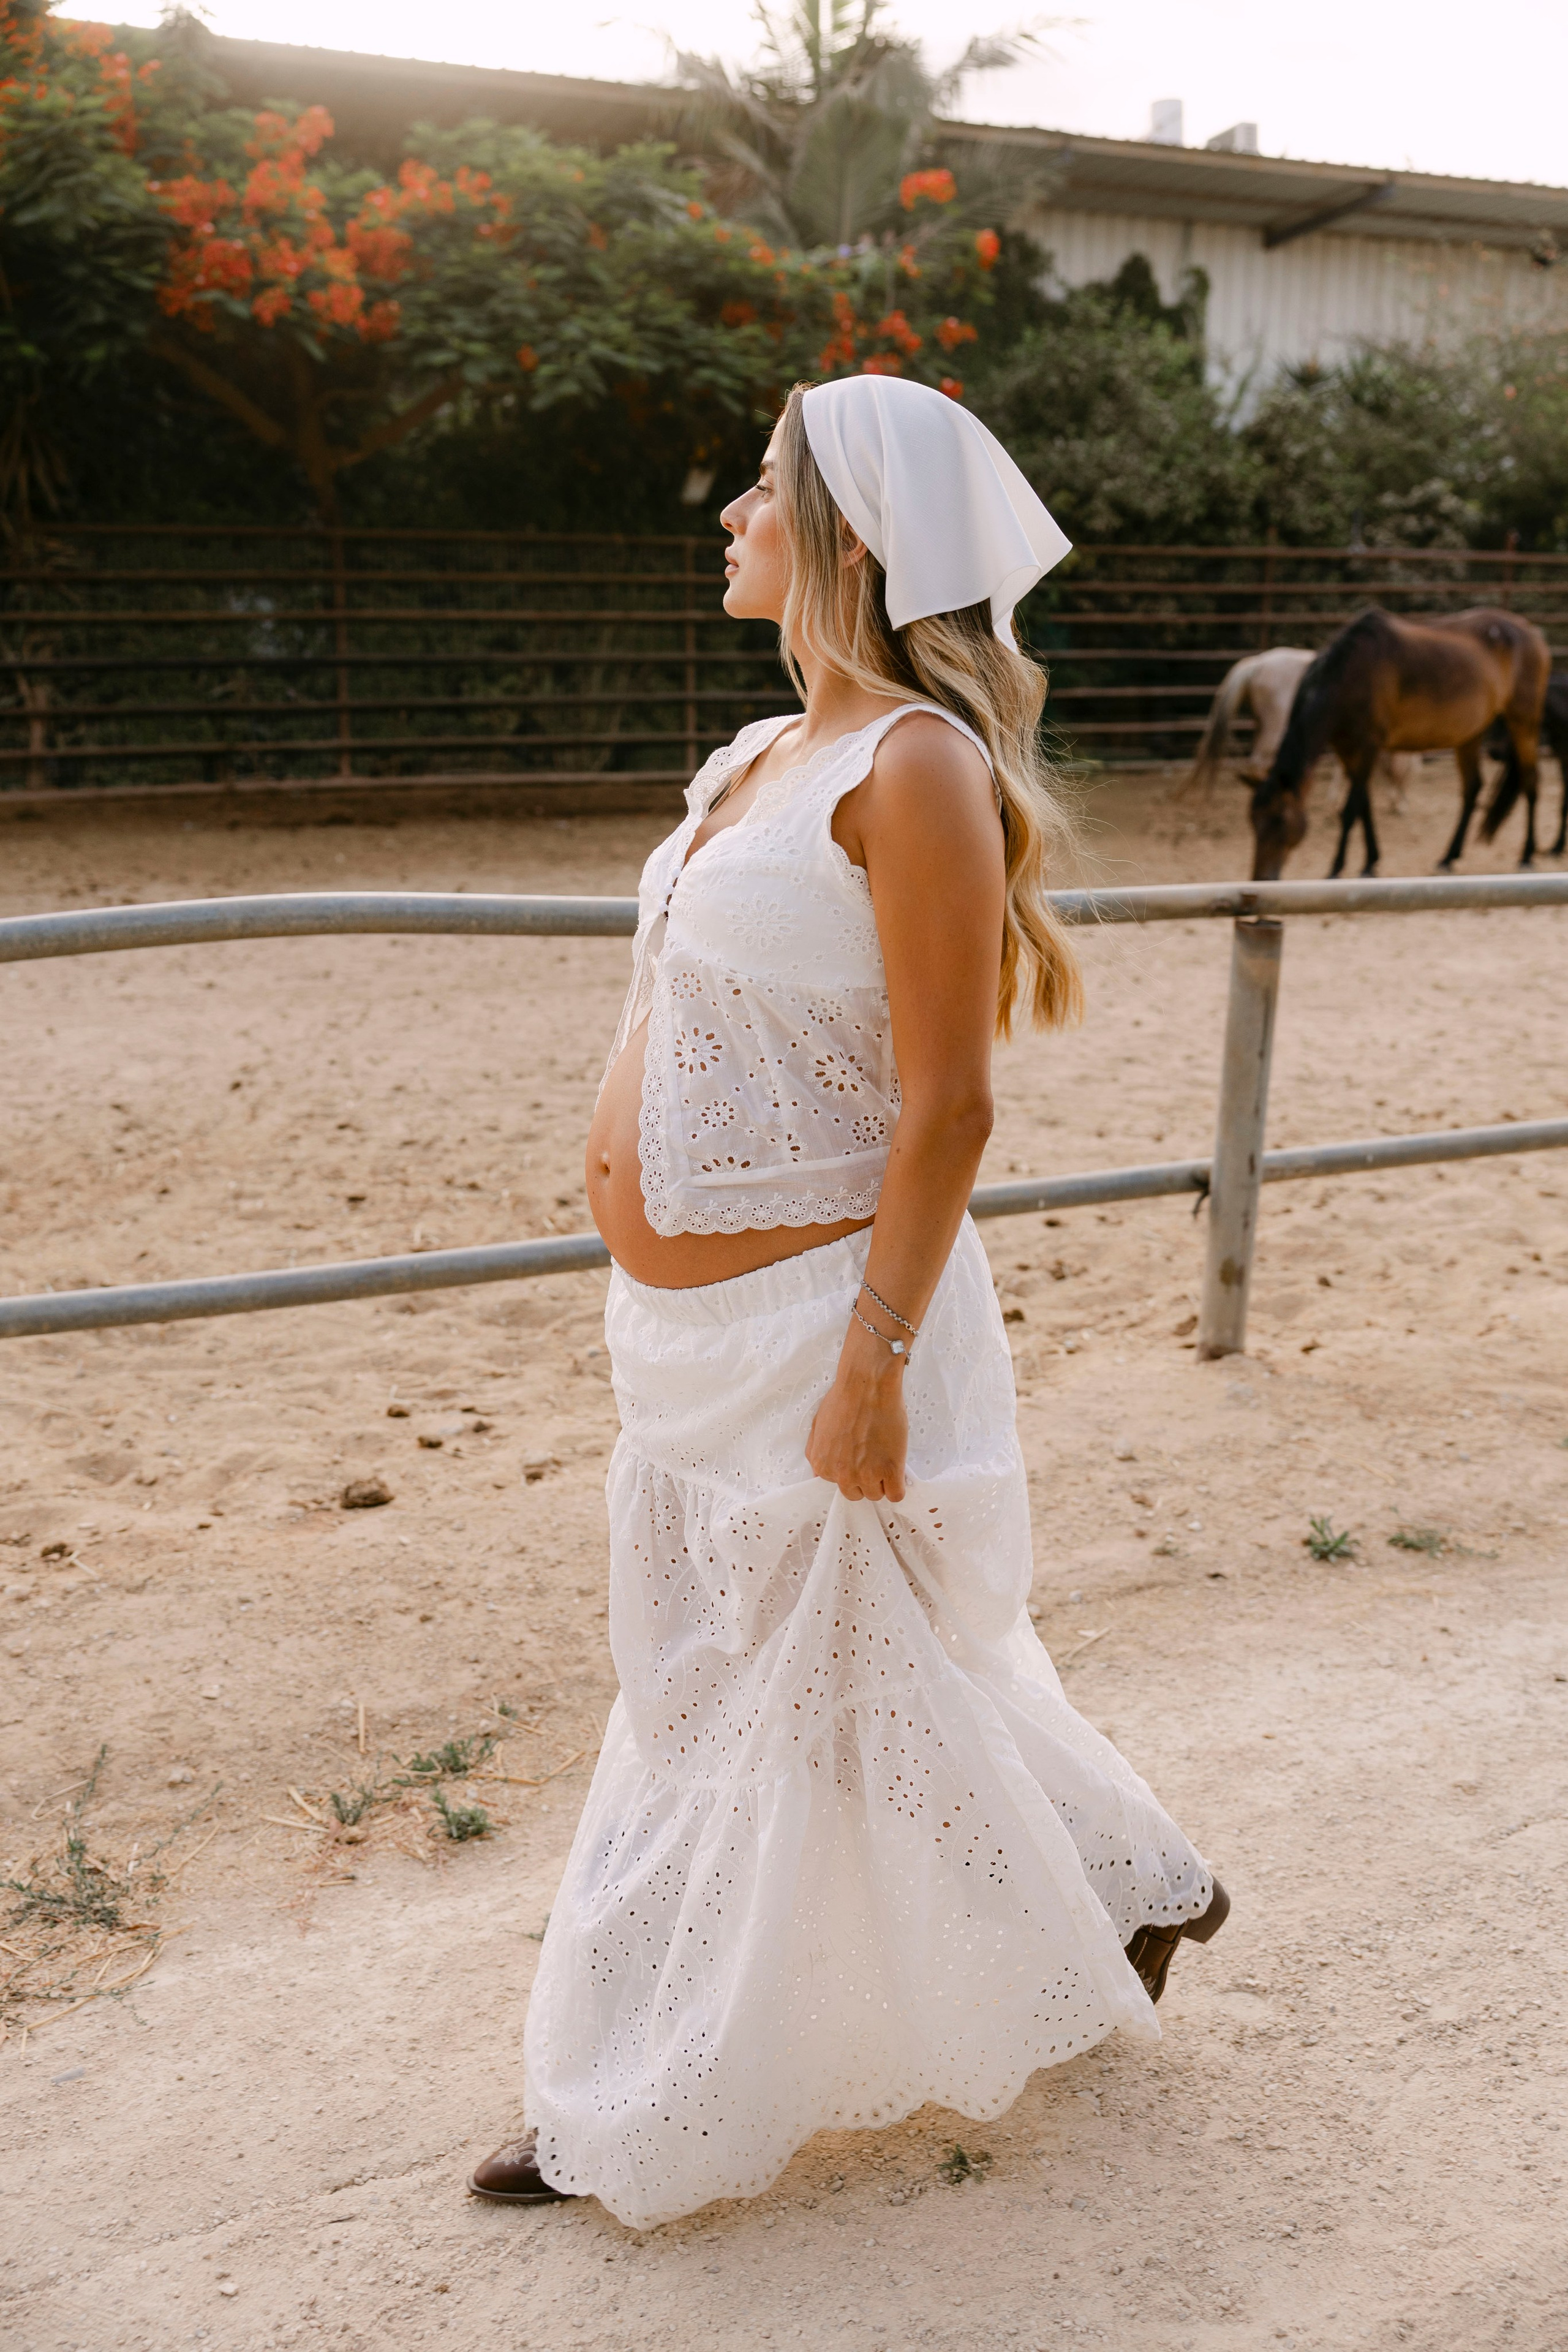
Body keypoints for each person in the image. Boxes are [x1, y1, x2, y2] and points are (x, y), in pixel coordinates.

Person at [468, 375, 1227, 2228]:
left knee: (753, 1701)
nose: (726, 520)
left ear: (854, 542)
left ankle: (636, 2098)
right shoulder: (750, 759)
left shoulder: (919, 769)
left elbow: (951, 1102)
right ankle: (1133, 1873)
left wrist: (873, 1360)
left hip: (828, 1315)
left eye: (757, 495)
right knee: (792, 1680)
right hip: (683, 1337)